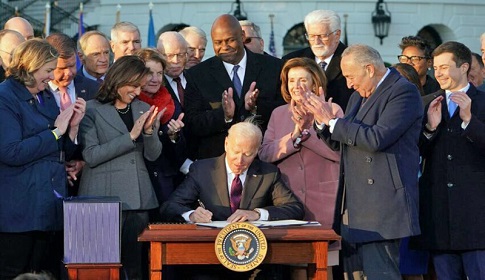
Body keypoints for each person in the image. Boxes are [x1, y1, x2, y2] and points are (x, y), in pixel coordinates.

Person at [305, 44, 423, 279]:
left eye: (350, 76)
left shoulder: (403, 92)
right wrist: (322, 123)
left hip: (382, 207)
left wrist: (333, 122)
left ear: (369, 69)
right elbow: (343, 143)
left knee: (382, 274)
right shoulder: (358, 96)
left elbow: (377, 138)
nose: (348, 84)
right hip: (353, 206)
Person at [0, 39, 86, 279]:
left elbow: (59, 152)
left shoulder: (45, 96)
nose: (52, 77)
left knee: (44, 273)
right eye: (48, 70)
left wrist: (71, 130)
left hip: (48, 209)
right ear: (30, 66)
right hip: (18, 213)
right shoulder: (4, 97)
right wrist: (56, 132)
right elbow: (10, 151)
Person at [78, 55, 162, 280]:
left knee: (134, 269)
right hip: (102, 198)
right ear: (118, 80)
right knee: (100, 268)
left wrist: (149, 133)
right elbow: (91, 155)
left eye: (140, 87)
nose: (137, 92)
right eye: (134, 86)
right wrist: (131, 136)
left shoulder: (145, 108)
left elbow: (153, 156)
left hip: (137, 199)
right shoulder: (91, 109)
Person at [413, 41, 485, 279]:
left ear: (464, 67)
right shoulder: (427, 103)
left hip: (476, 216)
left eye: (444, 67)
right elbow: (415, 152)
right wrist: (429, 130)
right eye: (436, 67)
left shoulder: (483, 102)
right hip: (439, 214)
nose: (438, 73)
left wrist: (468, 121)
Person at [160, 119, 304, 223]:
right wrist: (191, 215)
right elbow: (170, 206)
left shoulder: (268, 174)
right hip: (211, 249)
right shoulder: (202, 170)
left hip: (254, 250)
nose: (239, 160)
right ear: (226, 144)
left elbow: (295, 208)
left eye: (247, 154)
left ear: (257, 152)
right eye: (236, 152)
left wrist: (257, 214)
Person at [184, 14, 284, 160]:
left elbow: (284, 112)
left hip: (264, 160)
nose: (224, 47)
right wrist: (224, 115)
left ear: (242, 36)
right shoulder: (197, 75)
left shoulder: (273, 67)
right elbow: (193, 123)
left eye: (230, 40)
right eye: (218, 42)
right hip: (218, 165)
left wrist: (255, 107)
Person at [259, 57, 342, 226]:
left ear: (314, 83)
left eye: (302, 80)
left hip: (325, 199)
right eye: (291, 80)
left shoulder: (333, 109)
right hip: (286, 200)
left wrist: (307, 133)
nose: (296, 86)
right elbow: (265, 154)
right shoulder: (278, 113)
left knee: (326, 250)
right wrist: (295, 136)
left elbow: (340, 153)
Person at [46, 33, 100, 194]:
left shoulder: (93, 89)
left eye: (72, 65)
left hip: (87, 179)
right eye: (61, 68)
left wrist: (84, 163)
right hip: (49, 179)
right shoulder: (37, 93)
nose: (68, 73)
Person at [135, 48, 187, 212]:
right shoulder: (130, 102)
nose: (155, 79)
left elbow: (180, 153)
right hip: (139, 180)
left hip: (166, 181)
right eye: (149, 73)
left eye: (159, 73)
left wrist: (174, 136)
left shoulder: (169, 101)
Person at [283, 9, 354, 111]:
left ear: (337, 35)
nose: (317, 42)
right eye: (311, 36)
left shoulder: (352, 61)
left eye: (322, 36)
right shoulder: (292, 60)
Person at [157, 31, 188, 108]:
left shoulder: (195, 78)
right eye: (169, 56)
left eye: (180, 55)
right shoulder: (154, 84)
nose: (176, 61)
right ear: (158, 55)